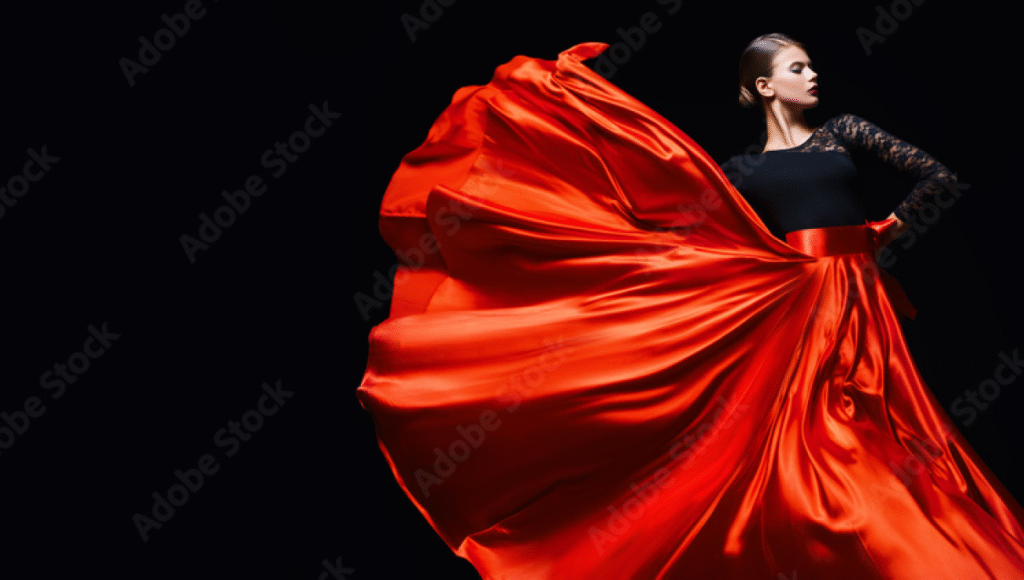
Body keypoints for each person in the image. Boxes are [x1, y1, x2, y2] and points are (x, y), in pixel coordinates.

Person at [356, 36, 1024, 579]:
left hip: (858, 289)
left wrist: (878, 234)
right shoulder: (737, 172)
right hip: (795, 294)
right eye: (798, 67)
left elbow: (938, 175)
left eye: (812, 64)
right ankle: (846, 546)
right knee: (821, 431)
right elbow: (688, 224)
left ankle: (905, 544)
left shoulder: (844, 131)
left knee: (889, 423)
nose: (813, 74)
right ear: (765, 86)